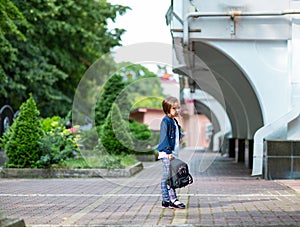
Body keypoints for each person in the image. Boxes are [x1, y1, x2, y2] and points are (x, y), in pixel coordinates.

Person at [158, 96, 186, 209]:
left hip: (172, 153)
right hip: (167, 154)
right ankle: (172, 200)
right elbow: (164, 138)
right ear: (167, 108)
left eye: (178, 108)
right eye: (174, 108)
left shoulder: (174, 121)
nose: (177, 110)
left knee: (168, 177)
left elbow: (176, 134)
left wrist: (181, 136)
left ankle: (166, 200)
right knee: (169, 177)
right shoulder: (166, 121)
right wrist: (168, 152)